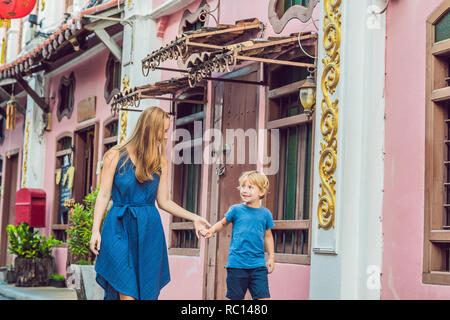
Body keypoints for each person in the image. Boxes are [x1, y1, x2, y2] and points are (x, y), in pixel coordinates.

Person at [89, 106, 211, 300]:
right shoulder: (115, 155)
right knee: (125, 289)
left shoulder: (159, 161)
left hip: (148, 231)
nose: (164, 136)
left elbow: (164, 202)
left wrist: (194, 217)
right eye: (162, 130)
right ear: (149, 129)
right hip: (118, 228)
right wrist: (95, 230)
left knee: (145, 291)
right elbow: (103, 195)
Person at [205, 170, 275, 300]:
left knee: (264, 298)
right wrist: (212, 230)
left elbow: (268, 236)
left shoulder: (266, 214)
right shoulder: (235, 210)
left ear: (261, 192)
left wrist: (271, 257)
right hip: (237, 264)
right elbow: (223, 223)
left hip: (258, 265)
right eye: (243, 186)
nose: (244, 190)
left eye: (250, 187)